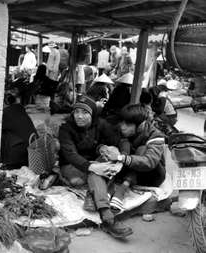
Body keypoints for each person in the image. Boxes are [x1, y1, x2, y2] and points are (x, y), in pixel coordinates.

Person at [58, 96, 132, 238]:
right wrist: (92, 167)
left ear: (92, 114)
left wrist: (121, 159)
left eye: (85, 113)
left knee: (109, 156)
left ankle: (95, 198)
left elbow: (122, 141)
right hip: (72, 166)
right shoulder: (65, 129)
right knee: (97, 171)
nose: (79, 116)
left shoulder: (101, 125)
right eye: (76, 112)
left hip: (94, 164)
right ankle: (107, 215)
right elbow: (70, 155)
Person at [100, 104, 166, 214]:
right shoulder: (123, 130)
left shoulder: (155, 135)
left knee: (141, 149)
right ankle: (110, 187)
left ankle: (122, 189)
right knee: (120, 146)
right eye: (122, 122)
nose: (122, 126)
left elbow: (150, 162)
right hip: (130, 171)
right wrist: (105, 149)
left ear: (140, 125)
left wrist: (121, 157)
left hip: (151, 175)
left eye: (128, 124)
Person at [0, 93, 37, 170]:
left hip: (21, 154)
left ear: (4, 103)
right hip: (32, 151)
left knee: (1, 133)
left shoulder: (7, 113)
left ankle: (9, 163)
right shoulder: (20, 110)